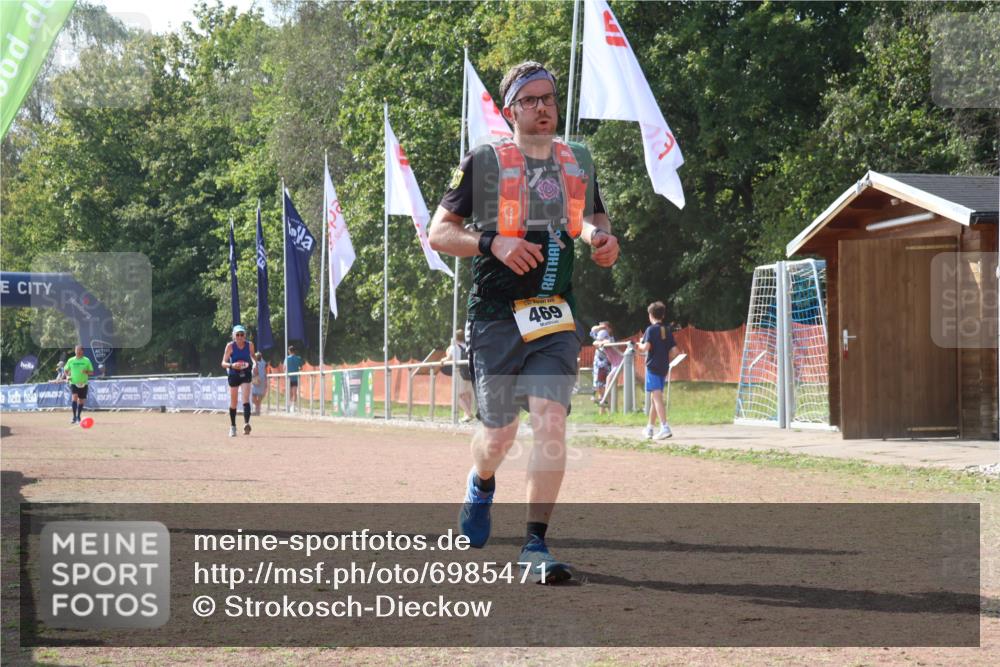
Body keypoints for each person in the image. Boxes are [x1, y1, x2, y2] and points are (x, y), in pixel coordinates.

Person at [429, 61, 619, 584]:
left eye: (549, 99)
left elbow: (592, 217)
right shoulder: (484, 162)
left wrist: (602, 241)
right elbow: (440, 233)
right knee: (500, 436)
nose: (542, 108)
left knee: (550, 422)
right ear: (511, 110)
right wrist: (493, 242)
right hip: (494, 318)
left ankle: (535, 544)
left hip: (555, 313)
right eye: (530, 100)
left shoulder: (577, 161)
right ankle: (480, 485)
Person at [636, 301, 681, 440]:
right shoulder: (666, 329)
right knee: (654, 397)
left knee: (656, 398)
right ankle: (649, 428)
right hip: (663, 366)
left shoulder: (650, 330)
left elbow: (646, 348)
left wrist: (639, 345)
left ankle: (664, 427)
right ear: (663, 315)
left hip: (652, 366)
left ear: (650, 315)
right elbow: (675, 351)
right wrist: (663, 356)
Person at [222, 325, 256, 437]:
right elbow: (223, 363)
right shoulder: (230, 346)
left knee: (246, 399)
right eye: (237, 335)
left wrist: (255, 364)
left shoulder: (250, 345)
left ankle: (246, 424)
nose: (240, 337)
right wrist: (232, 365)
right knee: (234, 402)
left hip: (246, 372)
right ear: (233, 336)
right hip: (234, 373)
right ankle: (233, 426)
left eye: (242, 334)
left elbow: (253, 357)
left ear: (245, 335)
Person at [440, 328, 474, 422]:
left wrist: (442, 360)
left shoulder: (454, 347)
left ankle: (469, 414)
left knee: (457, 396)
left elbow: (449, 358)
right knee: (466, 394)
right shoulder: (468, 346)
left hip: (459, 372)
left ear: (455, 337)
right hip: (469, 372)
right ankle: (467, 415)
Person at [64, 345, 94, 424]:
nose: (77, 351)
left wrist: (86, 372)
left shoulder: (87, 360)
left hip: (84, 383)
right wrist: (67, 376)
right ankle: (74, 417)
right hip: (73, 383)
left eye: (79, 350)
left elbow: (91, 372)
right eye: (76, 350)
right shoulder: (71, 360)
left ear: (82, 351)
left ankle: (78, 416)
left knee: (81, 401)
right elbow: (66, 370)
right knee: (74, 398)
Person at [590, 322, 615, 413]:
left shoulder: (609, 336)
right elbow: (592, 330)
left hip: (605, 366)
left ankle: (611, 411)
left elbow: (607, 342)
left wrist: (599, 342)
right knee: (600, 389)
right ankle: (602, 412)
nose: (602, 329)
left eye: (605, 327)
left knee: (606, 389)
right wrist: (601, 327)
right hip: (599, 366)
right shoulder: (601, 333)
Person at [285, 345, 303, 411]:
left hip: (288, 378)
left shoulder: (287, 358)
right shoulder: (298, 358)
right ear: (294, 351)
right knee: (294, 392)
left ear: (289, 351)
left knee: (289, 392)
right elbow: (301, 367)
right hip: (295, 378)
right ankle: (294, 406)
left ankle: (288, 406)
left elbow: (284, 368)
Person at [251, 351, 268, 416]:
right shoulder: (263, 363)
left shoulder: (255, 363)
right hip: (262, 381)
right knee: (258, 397)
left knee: (253, 396)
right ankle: (257, 410)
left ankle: (257, 410)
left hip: (256, 381)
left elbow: (253, 372)